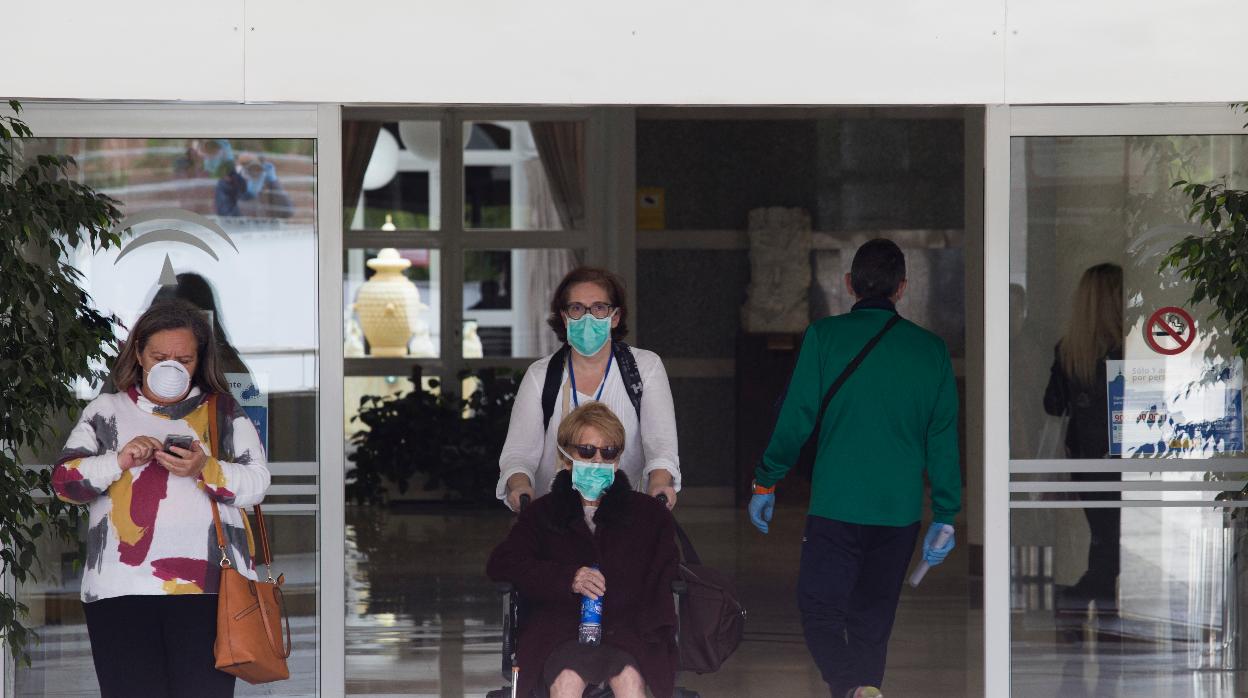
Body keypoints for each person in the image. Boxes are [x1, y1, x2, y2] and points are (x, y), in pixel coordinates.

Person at [747, 238, 961, 698]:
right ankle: (864, 690)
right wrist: (946, 512)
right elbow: (942, 439)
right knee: (873, 618)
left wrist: (767, 480)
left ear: (848, 285)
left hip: (835, 506)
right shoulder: (931, 351)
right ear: (902, 288)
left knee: (819, 609)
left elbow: (796, 418)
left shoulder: (825, 337)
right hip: (899, 512)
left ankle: (847, 688)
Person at [51, 299, 271, 698]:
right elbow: (65, 483)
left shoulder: (223, 411)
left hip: (210, 591)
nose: (172, 366)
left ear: (199, 360)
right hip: (119, 591)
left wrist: (205, 468)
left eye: (184, 359)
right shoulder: (106, 410)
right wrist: (118, 460)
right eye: (160, 356)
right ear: (138, 354)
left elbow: (257, 484)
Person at [487, 402, 680, 698]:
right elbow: (503, 563)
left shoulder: (648, 515)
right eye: (587, 451)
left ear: (618, 460)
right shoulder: (543, 513)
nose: (599, 460)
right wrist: (567, 578)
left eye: (609, 452)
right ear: (567, 458)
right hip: (560, 632)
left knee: (630, 681)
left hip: (628, 631)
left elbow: (664, 577)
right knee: (567, 680)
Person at [497, 267, 681, 510]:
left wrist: (659, 484)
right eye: (576, 308)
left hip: (622, 518)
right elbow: (518, 455)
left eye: (598, 308)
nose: (587, 317)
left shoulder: (645, 369)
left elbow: (662, 448)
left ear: (615, 316)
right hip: (555, 520)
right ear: (564, 317)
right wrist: (520, 487)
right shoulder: (540, 377)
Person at [1043, 262, 1123, 617]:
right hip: (1121, 462)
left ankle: (1094, 607)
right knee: (1111, 540)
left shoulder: (1070, 350)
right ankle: (1083, 600)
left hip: (1086, 460)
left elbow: (1052, 404)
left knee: (1105, 538)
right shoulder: (1125, 352)